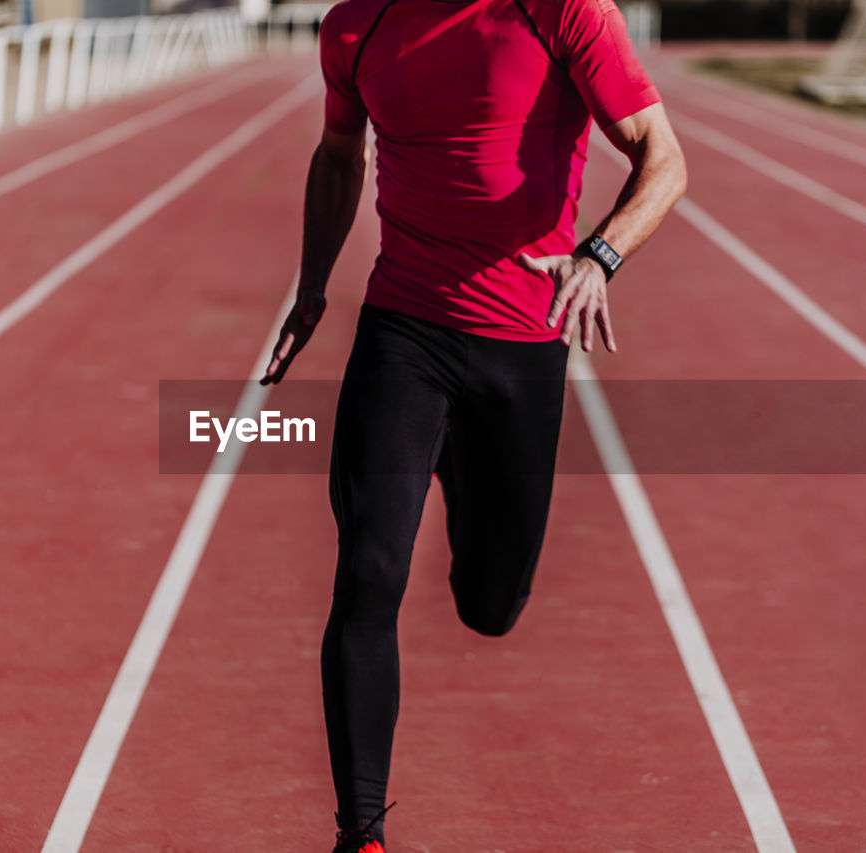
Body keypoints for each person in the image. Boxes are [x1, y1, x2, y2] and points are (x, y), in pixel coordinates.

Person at [260, 0, 687, 848]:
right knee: (369, 570)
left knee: (491, 605)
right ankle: (362, 834)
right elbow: (340, 154)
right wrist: (311, 286)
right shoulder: (355, 24)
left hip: (520, 347)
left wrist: (600, 255)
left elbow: (663, 160)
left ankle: (459, 473)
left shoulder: (566, 11)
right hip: (403, 330)